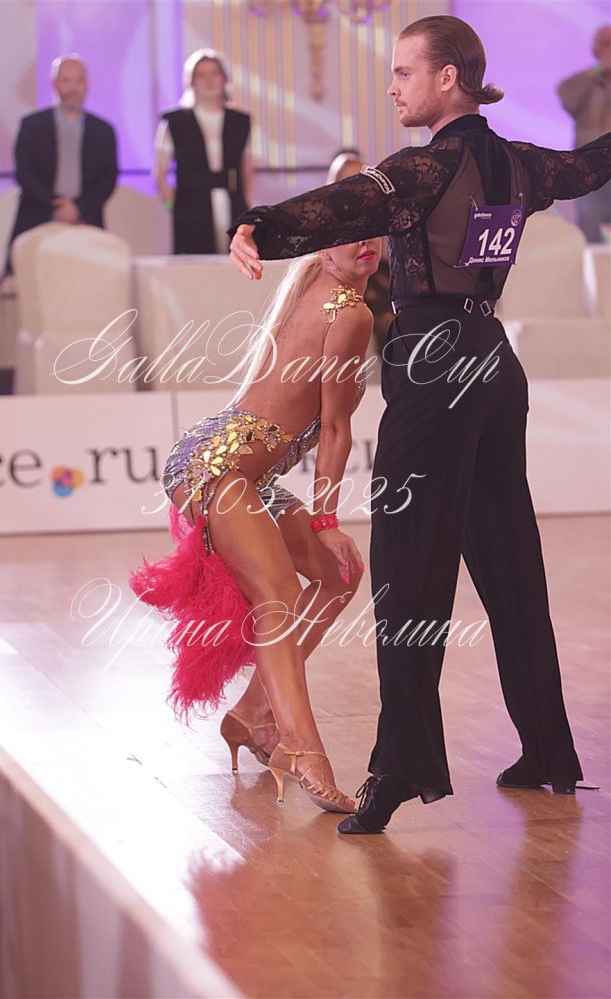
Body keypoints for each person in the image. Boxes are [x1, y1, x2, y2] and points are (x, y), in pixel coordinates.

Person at [229, 14, 611, 835]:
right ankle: (548, 748)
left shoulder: (426, 166)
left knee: (407, 570)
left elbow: (344, 205)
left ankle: (401, 764)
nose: (393, 85)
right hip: (493, 362)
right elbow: (588, 166)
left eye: (406, 71)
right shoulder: (519, 162)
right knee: (510, 561)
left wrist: (261, 222)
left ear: (449, 78)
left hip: (435, 364)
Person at [131, 237, 382, 814]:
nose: (366, 242)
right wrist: (325, 519)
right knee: (278, 595)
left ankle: (252, 715)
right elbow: (335, 430)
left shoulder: (327, 292)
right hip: (216, 466)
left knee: (341, 574)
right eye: (349, 232)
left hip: (246, 473)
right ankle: (302, 749)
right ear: (323, 250)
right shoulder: (350, 312)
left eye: (373, 229)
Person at [6, 55, 118, 267]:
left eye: (78, 81)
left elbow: (107, 179)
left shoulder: (103, 131)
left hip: (86, 220)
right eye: (66, 81)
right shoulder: (32, 126)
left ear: (87, 85)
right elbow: (24, 173)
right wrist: (57, 206)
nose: (73, 88)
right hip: (37, 217)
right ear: (54, 84)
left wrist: (78, 208)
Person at [154, 49, 253, 254]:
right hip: (191, 207)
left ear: (223, 78)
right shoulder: (175, 122)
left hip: (232, 201)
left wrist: (248, 206)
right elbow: (160, 172)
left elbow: (247, 169)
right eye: (201, 75)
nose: (209, 80)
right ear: (191, 80)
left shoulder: (240, 121)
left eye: (214, 73)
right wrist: (172, 206)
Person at [327, 148, 395, 356]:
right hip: (345, 282)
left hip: (378, 276)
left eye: (364, 180)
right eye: (352, 181)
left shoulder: (379, 213)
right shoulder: (328, 220)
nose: (360, 187)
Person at [558, 24, 611, 242]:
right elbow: (566, 96)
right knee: (590, 222)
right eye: (606, 44)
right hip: (590, 166)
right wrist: (600, 69)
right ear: (595, 50)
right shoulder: (585, 81)